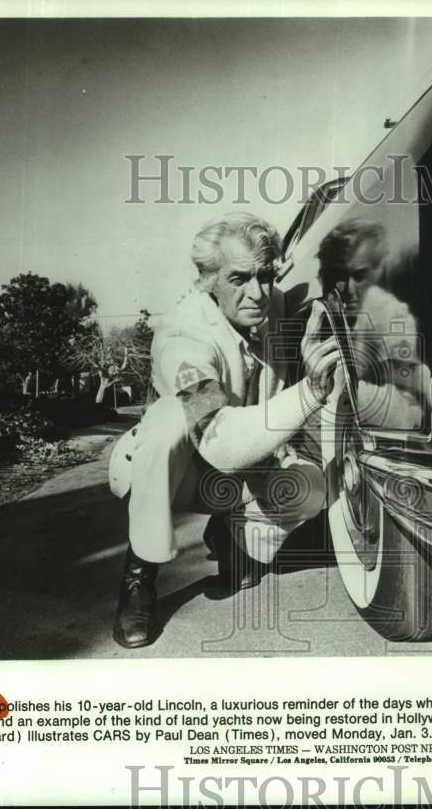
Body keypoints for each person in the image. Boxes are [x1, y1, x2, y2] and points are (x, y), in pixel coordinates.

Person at [107, 212, 339, 648]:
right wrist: (310, 391)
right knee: (168, 418)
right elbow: (223, 444)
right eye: (239, 279)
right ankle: (139, 577)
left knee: (311, 485)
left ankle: (231, 533)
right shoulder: (181, 339)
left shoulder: (267, 306)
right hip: (180, 473)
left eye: (265, 276)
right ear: (207, 280)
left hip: (242, 474)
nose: (256, 293)